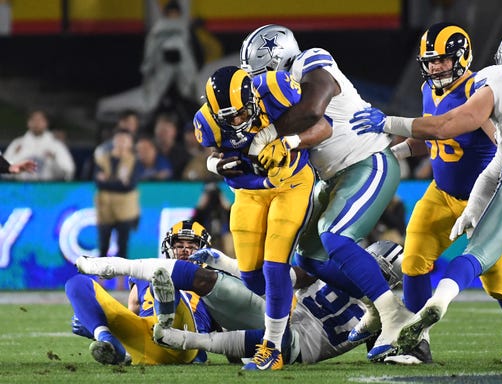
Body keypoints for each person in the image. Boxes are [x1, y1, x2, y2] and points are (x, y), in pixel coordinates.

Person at [349, 25, 502, 362]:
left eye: (441, 60)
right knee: (414, 260)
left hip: (483, 199)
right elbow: (431, 136)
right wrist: (394, 154)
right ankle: (417, 344)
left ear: (461, 56)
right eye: (430, 61)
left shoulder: (479, 87)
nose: (435, 67)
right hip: (440, 192)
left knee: (497, 283)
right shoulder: (428, 89)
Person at [238, 24, 413, 361]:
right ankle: (375, 305)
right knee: (308, 255)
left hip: (368, 159)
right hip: (334, 177)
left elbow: (314, 109)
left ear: (278, 58)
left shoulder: (311, 61)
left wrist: (271, 134)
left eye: (261, 73)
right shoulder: (278, 99)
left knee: (335, 235)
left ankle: (394, 318)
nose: (260, 83)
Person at [75, 237, 405, 366]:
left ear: (386, 275)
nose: (361, 264)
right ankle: (111, 268)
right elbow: (285, 277)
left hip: (292, 348)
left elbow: (389, 352)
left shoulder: (384, 315)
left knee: (283, 342)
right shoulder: (329, 269)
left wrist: (407, 350)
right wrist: (227, 263)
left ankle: (184, 337)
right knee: (204, 278)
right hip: (274, 317)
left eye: (372, 263)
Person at [194, 65, 327, 370]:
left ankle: (273, 348)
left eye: (241, 113)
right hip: (249, 192)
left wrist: (290, 142)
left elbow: (325, 126)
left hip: (292, 185)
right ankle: (300, 284)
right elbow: (214, 157)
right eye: (229, 118)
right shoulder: (206, 123)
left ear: (254, 98)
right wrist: (215, 166)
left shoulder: (276, 88)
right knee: (254, 278)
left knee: (274, 264)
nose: (238, 122)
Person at [67, 219, 262, 365]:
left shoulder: (212, 281)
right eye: (179, 246)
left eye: (192, 246)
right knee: (76, 283)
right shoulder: (146, 274)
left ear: (203, 249)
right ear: (169, 247)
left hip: (183, 342)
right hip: (145, 337)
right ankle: (106, 339)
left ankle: (166, 318)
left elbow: (230, 338)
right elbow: (131, 312)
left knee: (166, 279)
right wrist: (98, 322)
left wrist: (246, 351)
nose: (185, 251)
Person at [94, 128, 141, 290]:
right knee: (103, 245)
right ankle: (101, 280)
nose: (121, 143)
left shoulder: (134, 161)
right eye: (119, 139)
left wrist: (109, 181)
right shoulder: (102, 159)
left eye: (125, 140)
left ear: (130, 143)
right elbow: (99, 182)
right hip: (105, 207)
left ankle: (121, 282)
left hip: (125, 208)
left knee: (123, 245)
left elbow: (130, 185)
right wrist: (119, 182)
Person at [3, 109, 75, 181]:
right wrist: (16, 156)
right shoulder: (17, 144)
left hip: (48, 188)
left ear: (46, 123)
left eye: (40, 120)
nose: (37, 123)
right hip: (21, 188)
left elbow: (68, 172)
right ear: (28, 122)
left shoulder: (56, 146)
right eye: (34, 120)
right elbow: (4, 172)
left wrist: (54, 160)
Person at [153, 112, 190, 179]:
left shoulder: (183, 154)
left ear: (174, 132)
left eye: (165, 131)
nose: (162, 134)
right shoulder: (151, 152)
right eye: (160, 130)